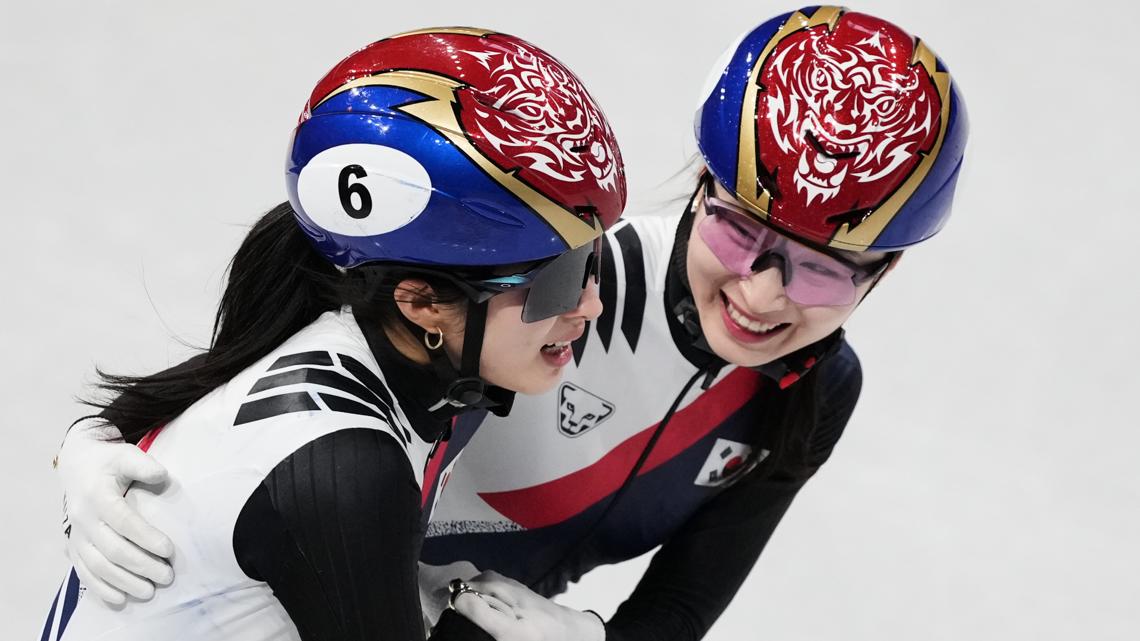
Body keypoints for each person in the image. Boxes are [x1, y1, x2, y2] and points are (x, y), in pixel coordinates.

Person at [54, 6, 968, 641]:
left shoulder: (812, 389)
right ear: (700, 185)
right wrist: (103, 442)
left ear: (884, 273)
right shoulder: (552, 292)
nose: (763, 294)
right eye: (737, 229)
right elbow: (311, 324)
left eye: (821, 267)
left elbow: (683, 604)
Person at [41, 27, 625, 641]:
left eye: (592, 259)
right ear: (422, 302)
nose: (591, 303)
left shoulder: (367, 347)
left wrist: (83, 439)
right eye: (559, 280)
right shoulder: (347, 463)